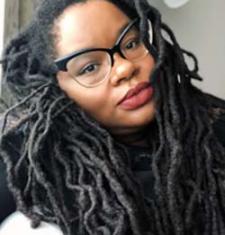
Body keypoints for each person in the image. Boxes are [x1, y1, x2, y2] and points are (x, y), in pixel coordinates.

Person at [0, 0, 225, 234]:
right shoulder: (25, 162)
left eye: (131, 42)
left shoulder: (213, 128)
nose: (124, 68)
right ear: (55, 88)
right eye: (89, 68)